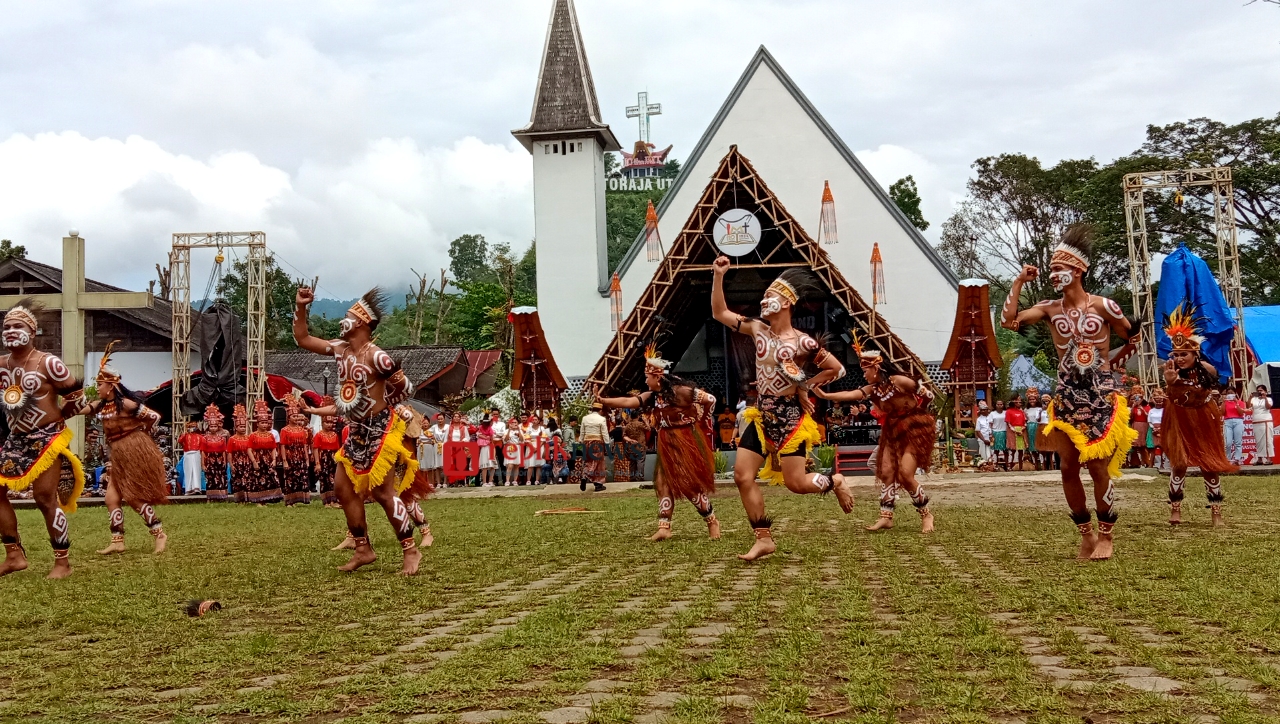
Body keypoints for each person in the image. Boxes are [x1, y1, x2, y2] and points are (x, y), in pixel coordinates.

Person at [1001, 225, 1138, 561]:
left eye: (1057, 269)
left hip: (1100, 396)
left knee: (1098, 467)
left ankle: (1107, 535)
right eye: (1050, 270)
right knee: (1067, 467)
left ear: (1078, 271)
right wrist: (1019, 281)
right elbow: (1009, 322)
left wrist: (1112, 362)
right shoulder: (1049, 308)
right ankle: (1086, 533)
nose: (1051, 275)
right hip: (1065, 396)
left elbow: (1132, 335)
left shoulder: (1105, 306)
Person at [711, 259, 854, 561]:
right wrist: (718, 276)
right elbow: (719, 313)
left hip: (791, 418)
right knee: (741, 475)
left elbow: (837, 369)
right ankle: (763, 539)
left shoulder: (803, 342)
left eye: (770, 296)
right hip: (761, 416)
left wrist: (806, 384)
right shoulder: (757, 330)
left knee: (797, 484)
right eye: (763, 296)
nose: (763, 300)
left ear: (787, 302)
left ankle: (834, 480)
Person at [294, 285, 420, 575]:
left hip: (380, 429)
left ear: (361, 323)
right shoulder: (340, 349)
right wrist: (301, 307)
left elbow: (406, 388)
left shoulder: (378, 357)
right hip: (357, 430)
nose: (342, 321)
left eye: (348, 316)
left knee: (384, 494)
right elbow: (302, 338)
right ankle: (363, 548)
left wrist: (387, 406)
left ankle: (410, 550)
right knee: (343, 487)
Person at [598, 346, 721, 541]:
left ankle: (712, 521)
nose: (645, 381)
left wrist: (703, 420)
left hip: (685, 440)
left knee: (688, 484)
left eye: (647, 377)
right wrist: (604, 400)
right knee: (663, 483)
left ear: (657, 377)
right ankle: (664, 528)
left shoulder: (681, 391)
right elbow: (628, 402)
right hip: (666, 441)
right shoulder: (652, 396)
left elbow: (710, 399)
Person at [815, 340, 936, 534]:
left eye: (866, 370)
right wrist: (825, 395)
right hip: (893, 430)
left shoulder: (899, 381)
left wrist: (922, 409)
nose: (863, 374)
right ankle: (885, 517)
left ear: (876, 368)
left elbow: (927, 394)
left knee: (905, 474)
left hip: (915, 429)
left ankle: (926, 514)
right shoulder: (873, 390)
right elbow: (852, 393)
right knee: (887, 470)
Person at [72, 346, 169, 555]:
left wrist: (141, 434)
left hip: (134, 450)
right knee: (111, 498)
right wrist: (67, 401)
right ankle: (117, 541)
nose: (97, 388)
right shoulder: (100, 406)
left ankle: (159, 534)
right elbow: (80, 410)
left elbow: (154, 417)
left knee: (133, 497)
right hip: (118, 454)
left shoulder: (127, 404)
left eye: (100, 385)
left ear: (111, 386)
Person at [1160, 305, 1237, 527]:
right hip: (1179, 418)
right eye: (1176, 354)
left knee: (1209, 464)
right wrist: (1171, 382)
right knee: (1179, 464)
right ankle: (1175, 510)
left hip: (1204, 417)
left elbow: (1207, 391)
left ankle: (1216, 513)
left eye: (1184, 354)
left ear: (1195, 353)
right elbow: (1174, 399)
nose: (1180, 358)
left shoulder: (1208, 369)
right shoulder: (1170, 371)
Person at [247, 400, 282, 504]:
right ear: (257, 424)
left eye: (266, 423)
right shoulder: (253, 435)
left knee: (270, 478)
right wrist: (253, 461)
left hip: (268, 459)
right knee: (258, 479)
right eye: (262, 423)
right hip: (257, 458)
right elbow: (249, 449)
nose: (264, 425)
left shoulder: (271, 435)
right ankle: (258, 501)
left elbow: (273, 448)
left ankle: (269, 499)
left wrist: (274, 459)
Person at [279, 398, 313, 506]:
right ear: (289, 418)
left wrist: (307, 458)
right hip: (290, 455)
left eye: (297, 416)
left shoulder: (301, 430)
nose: (296, 418)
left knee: (302, 477)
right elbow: (283, 446)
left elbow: (304, 445)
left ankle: (300, 499)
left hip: (300, 456)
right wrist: (284, 460)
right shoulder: (284, 430)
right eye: (294, 416)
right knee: (290, 478)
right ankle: (290, 501)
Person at [312, 402, 342, 507]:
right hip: (323, 458)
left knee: (333, 479)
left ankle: (334, 500)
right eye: (326, 422)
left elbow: (338, 449)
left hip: (333, 458)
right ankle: (326, 501)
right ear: (322, 423)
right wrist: (317, 463)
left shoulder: (334, 434)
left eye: (330, 423)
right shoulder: (319, 435)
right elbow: (315, 449)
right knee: (324, 479)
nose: (329, 425)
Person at [200, 404, 230, 502]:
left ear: (218, 427)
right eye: (211, 426)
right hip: (210, 459)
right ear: (209, 427)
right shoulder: (205, 438)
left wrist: (225, 462)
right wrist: (203, 463)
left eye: (215, 426)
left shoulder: (221, 438)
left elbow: (224, 451)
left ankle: (221, 497)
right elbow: (203, 452)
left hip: (220, 459)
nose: (213, 428)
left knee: (221, 477)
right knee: (210, 478)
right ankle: (210, 498)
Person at [580, 402, 609, 492]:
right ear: (600, 410)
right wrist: (607, 444)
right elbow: (604, 433)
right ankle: (598, 484)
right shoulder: (602, 419)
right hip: (597, 442)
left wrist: (581, 441)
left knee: (588, 461)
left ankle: (584, 475)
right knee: (599, 464)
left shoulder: (585, 418)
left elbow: (582, 432)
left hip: (587, 441)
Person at [227, 404, 253, 503]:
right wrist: (231, 464)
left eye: (244, 426)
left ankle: (248, 498)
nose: (243, 428)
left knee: (248, 480)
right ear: (236, 427)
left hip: (247, 462)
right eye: (240, 426)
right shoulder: (232, 439)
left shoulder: (249, 437)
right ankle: (239, 500)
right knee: (238, 481)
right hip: (237, 462)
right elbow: (229, 453)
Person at [1250, 385, 1274, 466]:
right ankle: (1260, 459)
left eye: (1261, 390)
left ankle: (1269, 459)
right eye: (1258, 390)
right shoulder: (1254, 399)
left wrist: (1265, 397)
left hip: (1266, 421)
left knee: (1267, 440)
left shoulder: (1269, 399)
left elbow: (1268, 407)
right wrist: (1250, 397)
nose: (1259, 392)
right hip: (1256, 421)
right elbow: (1248, 406)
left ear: (1265, 391)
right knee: (1259, 441)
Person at [1127, 386, 1150, 468]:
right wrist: (1134, 406)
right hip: (1135, 425)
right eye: (1134, 397)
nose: (1137, 399)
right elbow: (1131, 417)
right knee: (1134, 445)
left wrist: (1141, 408)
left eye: (1139, 397)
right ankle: (1135, 462)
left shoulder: (1146, 406)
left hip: (1144, 426)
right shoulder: (1132, 407)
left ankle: (1147, 462)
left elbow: (1148, 417)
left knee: (1143, 445)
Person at [1222, 389, 1246, 466]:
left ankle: (1237, 459)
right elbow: (1222, 412)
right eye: (1228, 393)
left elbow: (1241, 413)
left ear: (1235, 393)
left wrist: (1236, 403)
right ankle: (1228, 459)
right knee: (1228, 442)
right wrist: (1223, 402)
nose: (1230, 395)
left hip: (1238, 421)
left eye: (1231, 393)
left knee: (1238, 442)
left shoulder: (1241, 402)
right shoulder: (1225, 403)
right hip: (1227, 421)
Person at [178, 421, 204, 495]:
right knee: (188, 471)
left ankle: (197, 487)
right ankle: (188, 489)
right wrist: (185, 432)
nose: (193, 428)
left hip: (196, 453)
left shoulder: (200, 436)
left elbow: (202, 447)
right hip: (187, 453)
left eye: (194, 426)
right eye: (191, 426)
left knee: (196, 470)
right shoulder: (185, 435)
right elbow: (179, 440)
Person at [1024, 389, 1045, 471]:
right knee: (1032, 446)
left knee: (1039, 446)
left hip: (1038, 426)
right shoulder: (1026, 410)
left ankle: (1042, 463)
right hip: (1030, 427)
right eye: (1030, 399)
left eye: (1033, 399)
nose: (1032, 401)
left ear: (1036, 399)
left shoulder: (1040, 408)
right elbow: (1025, 420)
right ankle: (1035, 462)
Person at [1005, 396, 1027, 470]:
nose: (1020, 403)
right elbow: (1008, 423)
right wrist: (1014, 430)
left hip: (1021, 430)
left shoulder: (1022, 411)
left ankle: (1020, 467)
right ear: (1014, 403)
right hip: (1012, 431)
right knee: (1013, 449)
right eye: (1019, 402)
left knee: (1021, 449)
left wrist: (1022, 429)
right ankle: (1010, 466)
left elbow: (1025, 422)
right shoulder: (1009, 411)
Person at [1149, 388, 1168, 472]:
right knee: (1153, 447)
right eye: (1157, 400)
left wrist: (1160, 428)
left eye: (1160, 400)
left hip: (1162, 429)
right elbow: (1149, 421)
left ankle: (1162, 464)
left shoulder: (1165, 410)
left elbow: (1166, 421)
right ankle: (1151, 464)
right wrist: (1153, 428)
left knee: (1162, 448)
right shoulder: (1151, 411)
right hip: (1153, 429)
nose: (1159, 402)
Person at [476, 416, 497, 487]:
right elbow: (478, 435)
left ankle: (490, 481)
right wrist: (485, 437)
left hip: (490, 447)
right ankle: (484, 482)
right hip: (484, 448)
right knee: (484, 465)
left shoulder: (491, 429)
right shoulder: (480, 429)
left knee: (493, 465)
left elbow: (492, 440)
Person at [503, 416, 523, 486]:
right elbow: (505, 440)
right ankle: (507, 480)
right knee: (510, 465)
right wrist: (509, 430)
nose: (514, 424)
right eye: (513, 422)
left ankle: (515, 480)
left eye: (516, 422)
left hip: (517, 447)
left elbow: (521, 440)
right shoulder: (506, 431)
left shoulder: (519, 431)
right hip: (509, 448)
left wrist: (519, 430)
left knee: (516, 465)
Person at [989, 399, 1008, 471]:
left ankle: (1007, 464)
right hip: (995, 432)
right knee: (996, 450)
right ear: (995, 405)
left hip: (1004, 432)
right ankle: (996, 465)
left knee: (1005, 450)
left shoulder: (1006, 413)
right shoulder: (992, 414)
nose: (999, 406)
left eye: (1001, 404)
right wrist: (990, 433)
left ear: (1003, 405)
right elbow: (990, 424)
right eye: (998, 404)